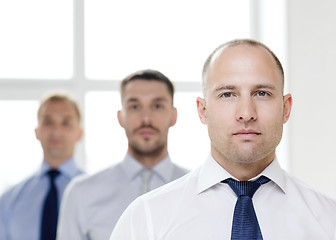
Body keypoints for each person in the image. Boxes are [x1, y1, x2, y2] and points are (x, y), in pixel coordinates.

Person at [109, 39, 336, 240]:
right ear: (202, 110)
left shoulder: (328, 220)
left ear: (285, 109)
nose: (246, 113)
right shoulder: (146, 218)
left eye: (262, 93)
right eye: (227, 94)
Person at [56, 69, 188, 240]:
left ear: (173, 116)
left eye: (157, 106)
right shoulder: (81, 193)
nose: (146, 119)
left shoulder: (201, 193)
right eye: (134, 106)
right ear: (120, 117)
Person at [0, 92, 84, 240]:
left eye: (66, 123)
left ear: (79, 133)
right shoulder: (9, 201)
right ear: (37, 132)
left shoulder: (96, 195)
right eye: (48, 122)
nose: (56, 132)